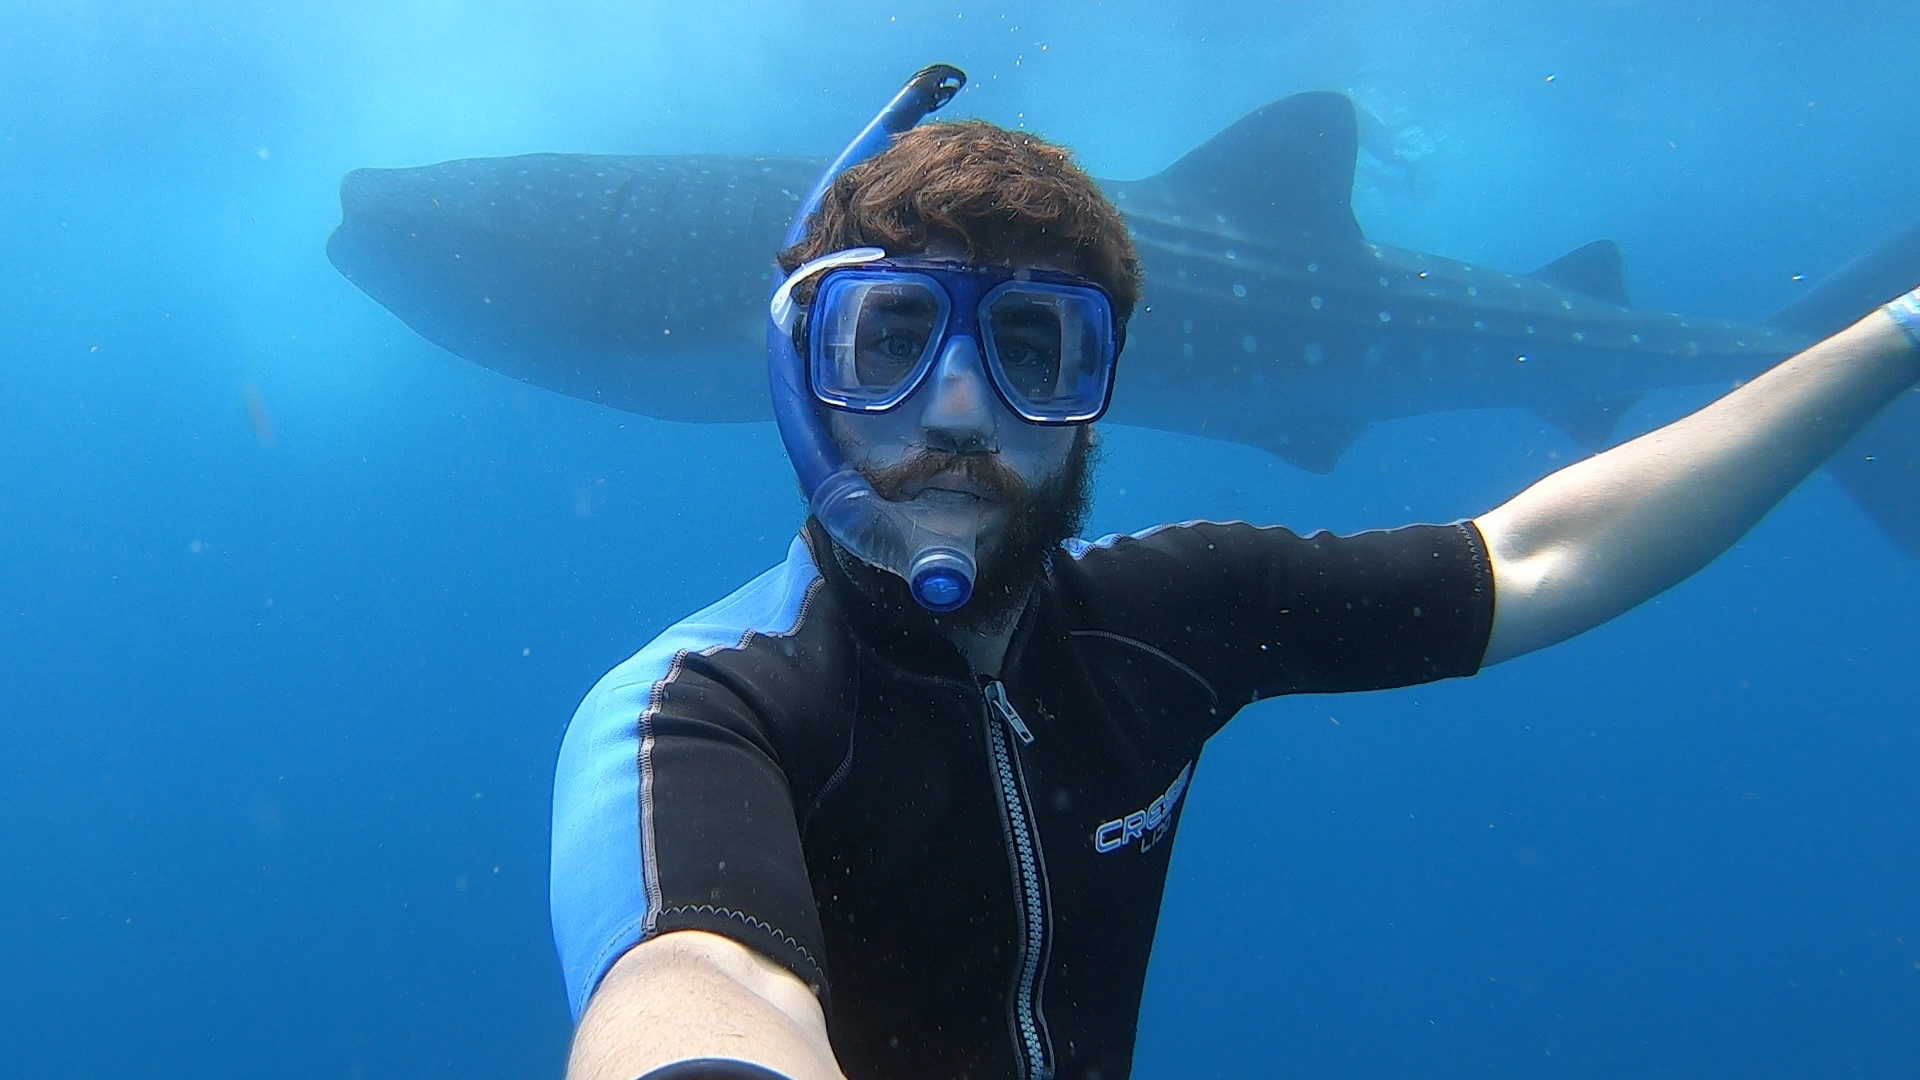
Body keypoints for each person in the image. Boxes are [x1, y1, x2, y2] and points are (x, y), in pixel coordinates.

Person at [549, 68, 1920, 1080]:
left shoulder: (1166, 616)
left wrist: (1891, 339)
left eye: (1037, 350)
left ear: (1099, 392)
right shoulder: (695, 715)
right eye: (890, 340)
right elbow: (697, 985)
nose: (961, 407)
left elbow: (1551, 549)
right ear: (804, 376)